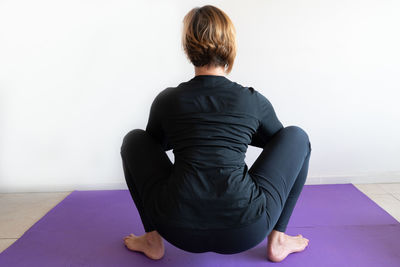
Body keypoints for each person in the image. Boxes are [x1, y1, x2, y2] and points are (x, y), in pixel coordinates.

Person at [120, 5, 311, 262]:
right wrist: (234, 130)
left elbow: (155, 146)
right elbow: (279, 143)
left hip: (175, 227)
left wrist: (194, 127)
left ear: (188, 47)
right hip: (247, 230)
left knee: (134, 140)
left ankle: (153, 240)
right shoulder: (252, 101)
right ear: (230, 47)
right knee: (298, 136)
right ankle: (277, 239)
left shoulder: (168, 100)